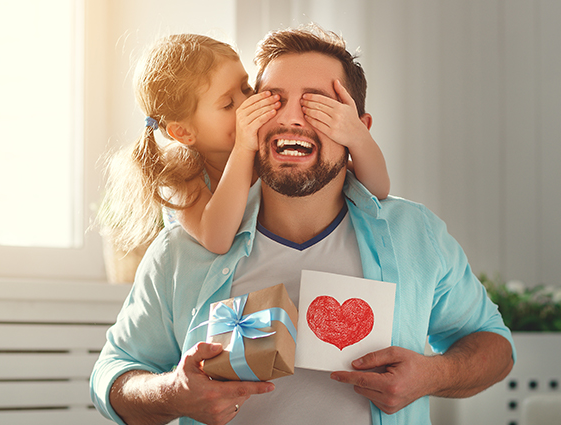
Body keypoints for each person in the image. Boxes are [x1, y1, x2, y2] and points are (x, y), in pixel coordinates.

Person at [90, 23, 515, 425]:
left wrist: (431, 376)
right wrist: (173, 392)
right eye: (270, 99)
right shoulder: (182, 248)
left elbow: (495, 346)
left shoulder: (415, 234)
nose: (291, 119)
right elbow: (114, 373)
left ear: (357, 129)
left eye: (319, 106)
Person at [100, 33, 390, 256]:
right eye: (228, 104)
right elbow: (217, 239)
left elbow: (375, 188)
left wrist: (356, 136)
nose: (247, 105)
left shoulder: (269, 151)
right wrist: (243, 150)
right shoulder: (184, 171)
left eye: (246, 88)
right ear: (184, 133)